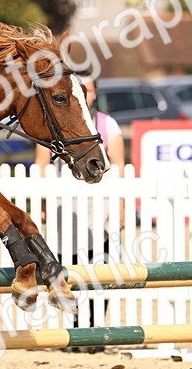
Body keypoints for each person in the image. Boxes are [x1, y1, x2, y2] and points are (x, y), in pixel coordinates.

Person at [34, 74, 125, 261]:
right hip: (62, 211)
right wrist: (43, 202)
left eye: (88, 90)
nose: (85, 95)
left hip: (99, 211)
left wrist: (121, 205)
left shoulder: (108, 124)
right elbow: (40, 166)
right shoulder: (52, 126)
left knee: (102, 269)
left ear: (95, 94)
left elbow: (119, 167)